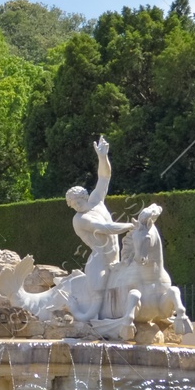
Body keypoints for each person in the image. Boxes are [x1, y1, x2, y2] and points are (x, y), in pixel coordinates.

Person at [65, 136, 134, 322]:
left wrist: (102, 157)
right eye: (72, 205)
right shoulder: (80, 220)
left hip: (115, 258)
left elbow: (104, 177)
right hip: (100, 263)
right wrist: (131, 225)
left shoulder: (97, 201)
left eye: (77, 201)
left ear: (85, 196)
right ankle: (88, 322)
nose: (75, 206)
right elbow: (105, 228)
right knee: (97, 304)